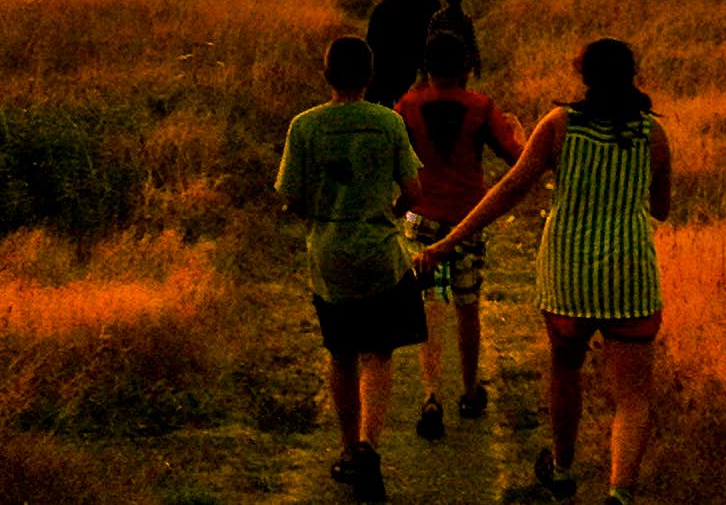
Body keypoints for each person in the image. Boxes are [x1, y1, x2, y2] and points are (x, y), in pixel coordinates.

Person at [416, 40, 670, 505]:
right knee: (633, 397)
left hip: (568, 273)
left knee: (565, 370)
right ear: (632, 73)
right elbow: (661, 207)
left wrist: (445, 243)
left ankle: (562, 468)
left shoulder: (559, 125)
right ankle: (619, 493)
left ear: (583, 75)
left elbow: (510, 188)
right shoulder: (651, 133)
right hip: (630, 277)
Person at [276, 35, 428, 503]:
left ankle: (345, 447)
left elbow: (290, 196)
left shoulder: (304, 126)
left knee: (340, 353)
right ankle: (368, 447)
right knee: (377, 353)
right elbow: (415, 191)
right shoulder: (387, 122)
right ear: (370, 75)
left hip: (328, 252)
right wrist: (391, 209)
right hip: (380, 250)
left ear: (327, 75)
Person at [395, 25, 525, 439]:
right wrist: (520, 132)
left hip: (422, 216)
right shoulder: (481, 107)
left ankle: (431, 395)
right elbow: (516, 159)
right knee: (468, 306)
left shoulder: (407, 106)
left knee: (430, 307)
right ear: (466, 68)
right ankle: (470, 390)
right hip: (470, 217)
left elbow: (398, 167)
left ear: (426, 68)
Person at [366, 0, 418, 107]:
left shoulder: (380, 10)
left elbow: (371, 38)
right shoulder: (412, 8)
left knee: (386, 100)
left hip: (384, 63)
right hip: (406, 62)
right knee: (403, 98)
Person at [437, 0, 480, 74]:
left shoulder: (438, 17)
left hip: (442, 62)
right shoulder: (466, 19)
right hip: (461, 64)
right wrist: (476, 64)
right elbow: (471, 44)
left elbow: (430, 42)